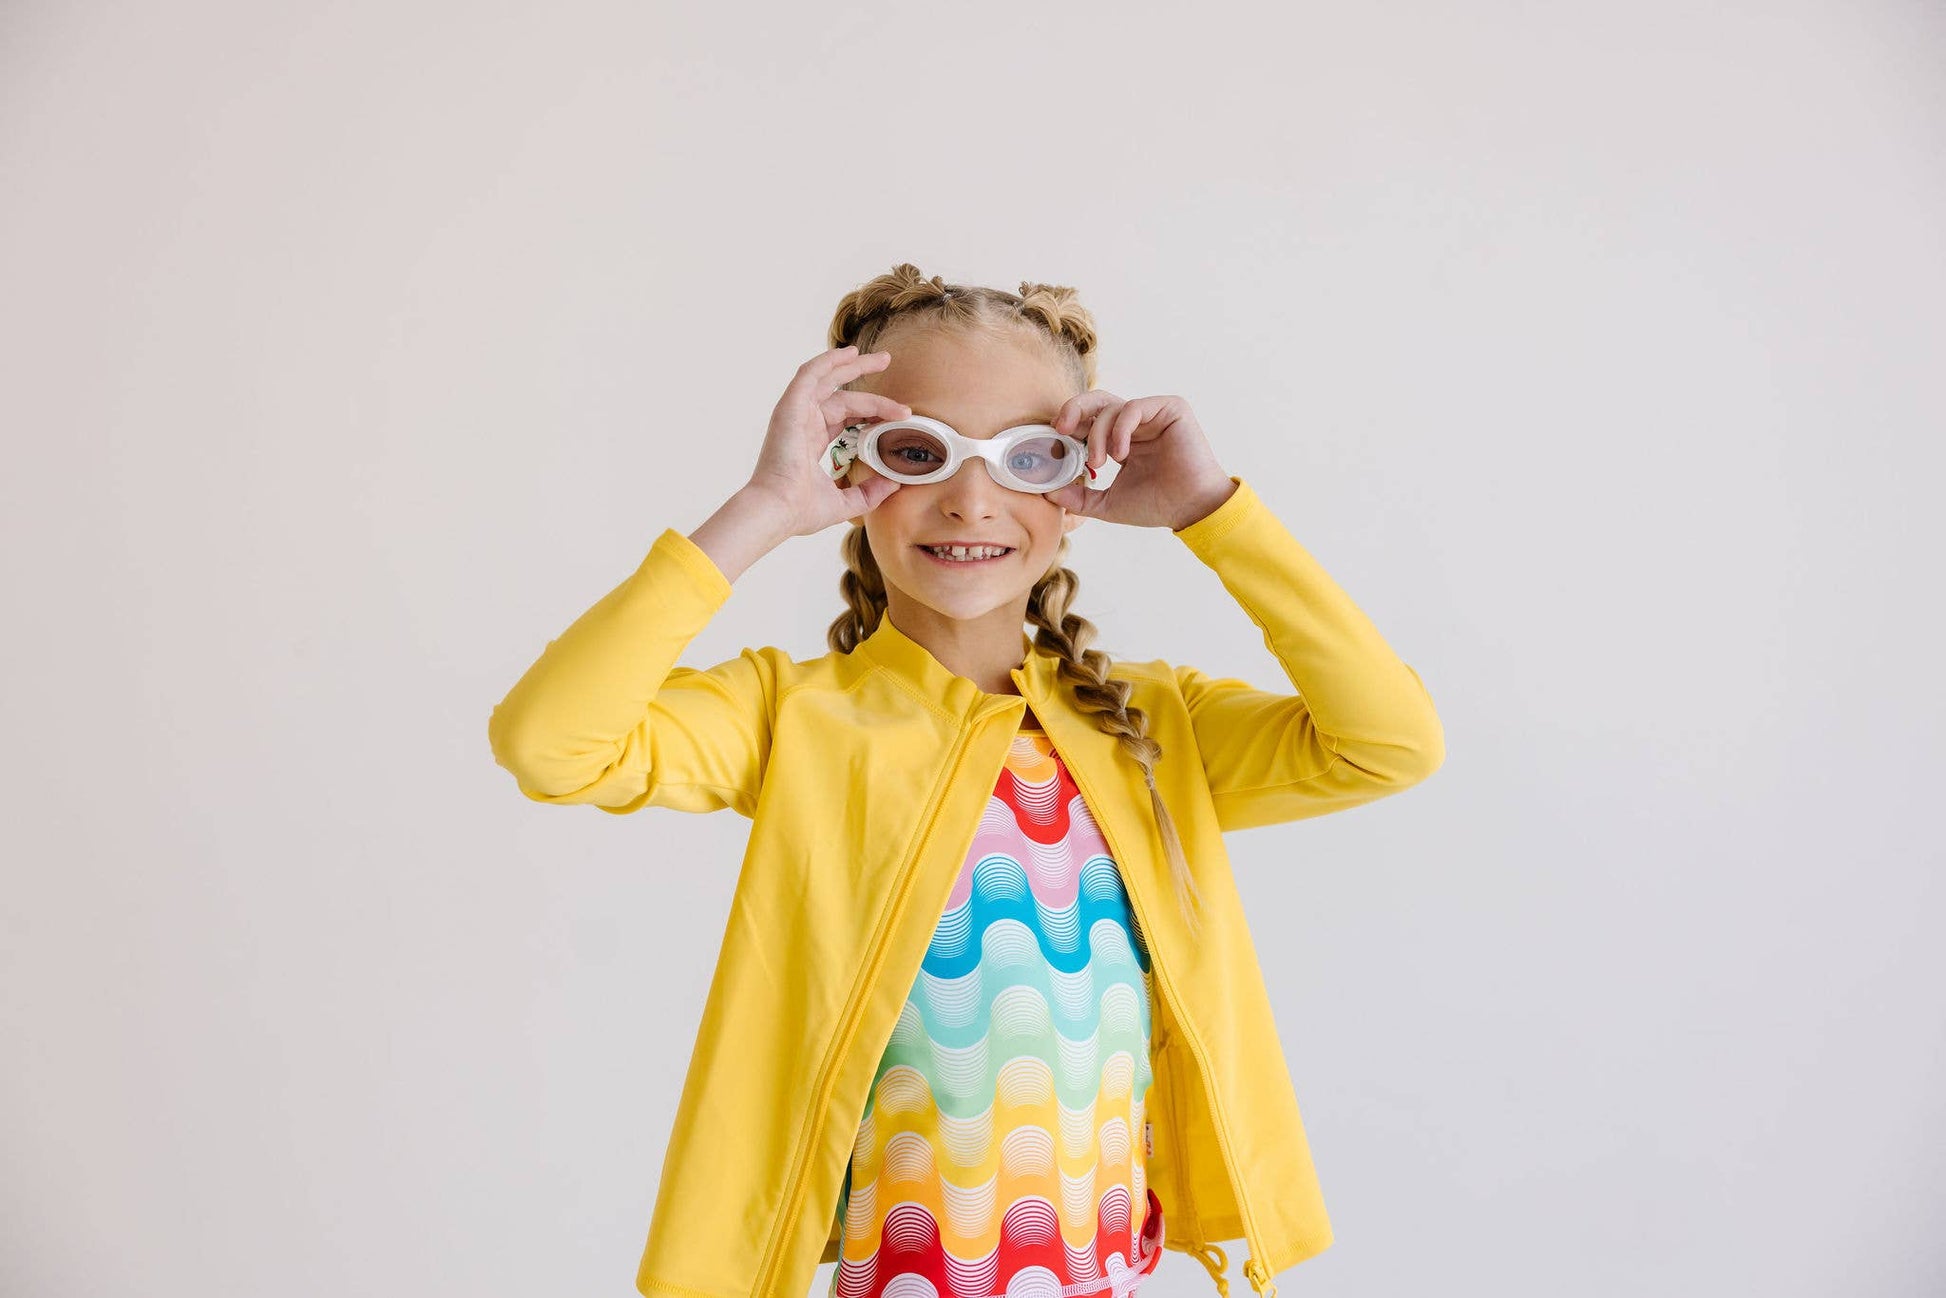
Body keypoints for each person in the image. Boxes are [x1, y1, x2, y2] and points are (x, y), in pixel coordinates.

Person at [487, 264, 1445, 1298]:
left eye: (1025, 456)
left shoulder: (1151, 726)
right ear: (851, 463)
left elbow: (1389, 742)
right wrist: (763, 508)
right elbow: (552, 741)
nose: (970, 498)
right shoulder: (792, 717)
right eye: (919, 452)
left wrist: (1213, 512)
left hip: (1099, 1272)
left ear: (1078, 487)